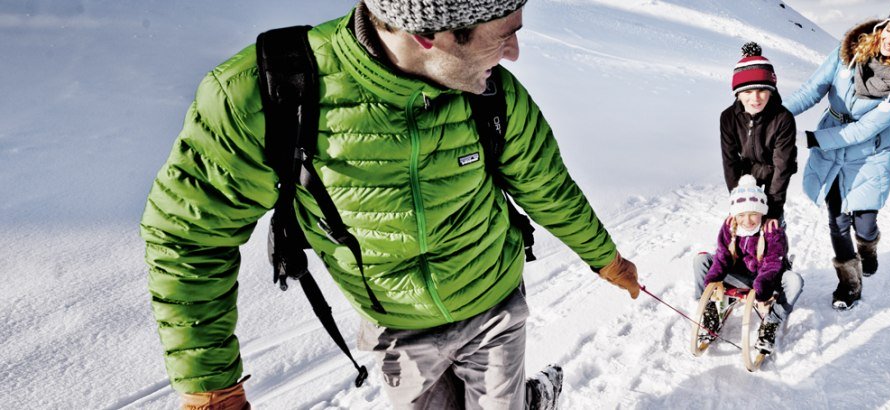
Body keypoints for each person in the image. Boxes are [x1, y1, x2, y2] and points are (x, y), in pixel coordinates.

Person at [139, 1, 642, 409]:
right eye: (503, 34)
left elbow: (547, 186)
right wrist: (211, 388)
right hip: (394, 327)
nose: (513, 53)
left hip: (494, 306)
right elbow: (189, 236)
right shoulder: (268, 95)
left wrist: (606, 258)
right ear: (428, 35)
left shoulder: (493, 96)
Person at [782, 0, 890, 310]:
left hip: (869, 151)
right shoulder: (849, 51)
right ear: (884, 24)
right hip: (833, 140)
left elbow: (867, 128)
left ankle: (868, 247)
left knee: (864, 223)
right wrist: (777, 116)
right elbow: (813, 89)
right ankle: (850, 283)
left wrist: (811, 139)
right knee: (837, 220)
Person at [692, 175, 804, 352]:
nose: (747, 220)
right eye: (742, 215)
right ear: (735, 214)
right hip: (738, 276)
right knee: (701, 260)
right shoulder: (730, 226)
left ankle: (771, 321)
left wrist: (762, 286)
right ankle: (710, 309)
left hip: (768, 280)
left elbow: (772, 263)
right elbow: (722, 256)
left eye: (753, 214)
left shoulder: (772, 230)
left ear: (762, 212)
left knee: (795, 281)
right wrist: (713, 281)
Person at [720, 42, 797, 229]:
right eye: (747, 91)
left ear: (771, 91)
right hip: (746, 174)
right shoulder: (728, 117)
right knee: (744, 223)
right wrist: (738, 198)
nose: (755, 98)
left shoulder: (783, 118)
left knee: (771, 227)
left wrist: (774, 210)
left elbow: (782, 165)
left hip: (774, 173)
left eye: (762, 90)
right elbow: (730, 161)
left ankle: (779, 255)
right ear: (738, 93)